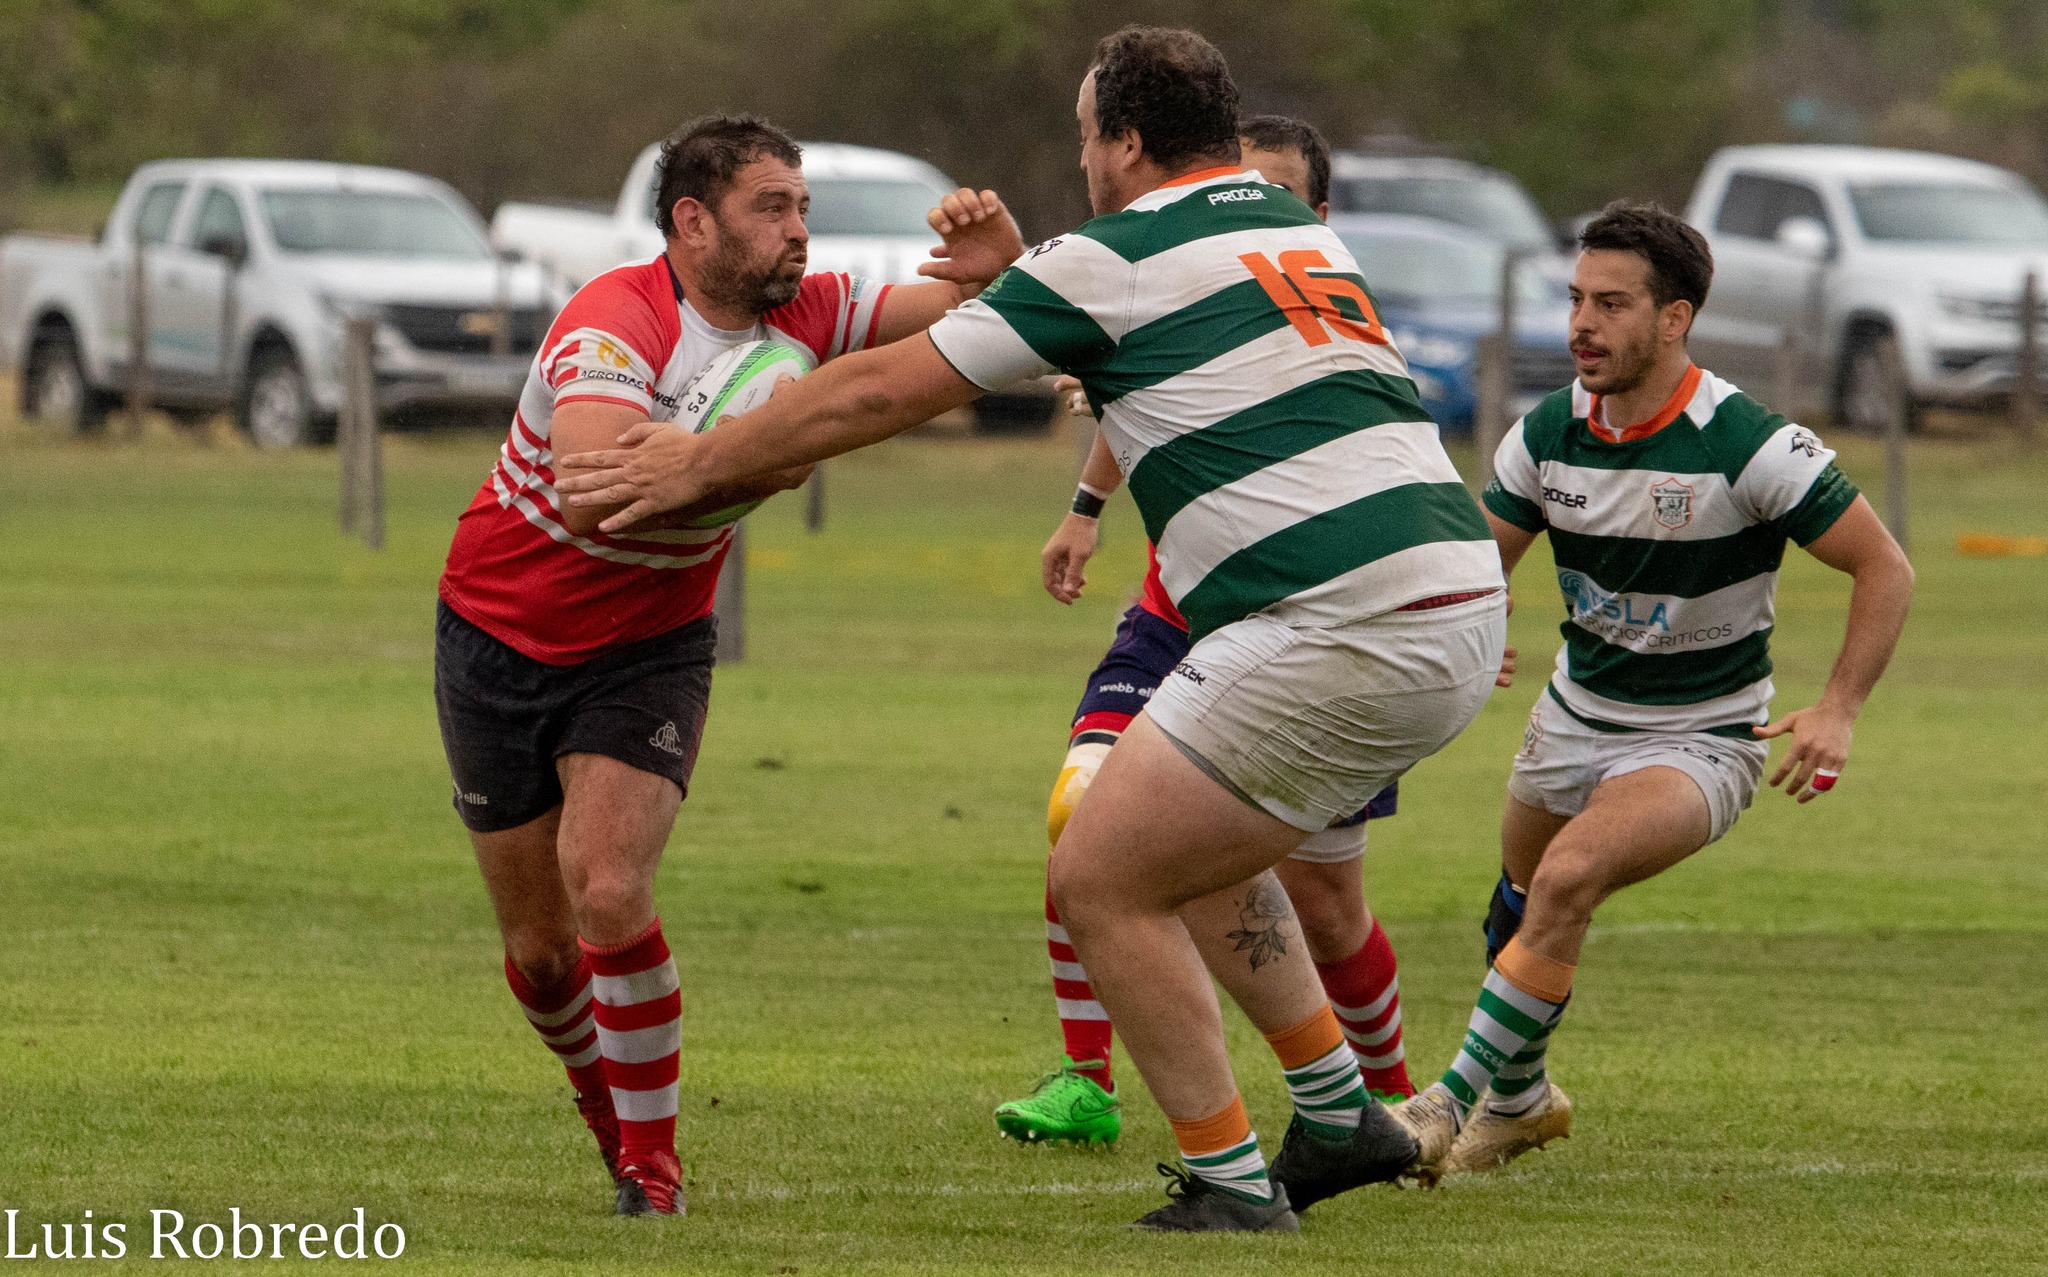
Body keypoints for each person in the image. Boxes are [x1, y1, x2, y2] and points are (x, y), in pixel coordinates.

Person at [555, 27, 1507, 1232]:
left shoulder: (1116, 254)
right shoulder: (1291, 232)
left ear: (1121, 139)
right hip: (1452, 600)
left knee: (1097, 874)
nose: (1082, 161)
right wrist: (1019, 277)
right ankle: (1334, 1110)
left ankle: (1227, 1179)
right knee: (1180, 845)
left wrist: (697, 460)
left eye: (1082, 137)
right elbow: (1120, 355)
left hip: (1333, 620)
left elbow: (875, 389)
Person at [433, 113, 1024, 1217]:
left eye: (802, 207)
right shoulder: (613, 317)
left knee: (607, 885)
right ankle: (604, 1111)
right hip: (496, 632)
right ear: (691, 221)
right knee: (542, 952)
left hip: (648, 645)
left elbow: (978, 323)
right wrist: (767, 445)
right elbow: (594, 490)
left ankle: (651, 1173)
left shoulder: (811, 307)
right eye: (771, 208)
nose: (798, 231)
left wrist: (1000, 265)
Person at [1388, 202, 1914, 1181]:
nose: (1582, 324)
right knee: (1517, 907)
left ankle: (1441, 1104)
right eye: (1577, 299)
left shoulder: (1747, 441)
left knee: (1565, 878)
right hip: (1569, 717)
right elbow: (1472, 563)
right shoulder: (1546, 431)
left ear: (1673, 319)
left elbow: (1884, 568)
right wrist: (1474, 622)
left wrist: (1836, 704)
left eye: (1611, 304)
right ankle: (1521, 1101)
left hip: (1700, 738)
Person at [998, 114, 1422, 1152]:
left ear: (1315, 220)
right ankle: (1087, 1076)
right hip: (1170, 620)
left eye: (1272, 192)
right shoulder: (1184, 273)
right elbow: (1137, 392)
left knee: (1325, 909)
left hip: (1309, 636)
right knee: (1082, 813)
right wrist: (1084, 510)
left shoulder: (1333, 326)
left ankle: (1391, 1100)